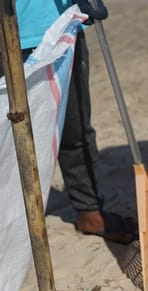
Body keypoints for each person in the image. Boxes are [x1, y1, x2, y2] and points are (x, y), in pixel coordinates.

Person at [3, 0, 138, 244]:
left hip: (58, 23)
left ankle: (90, 210)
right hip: (6, 34)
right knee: (8, 139)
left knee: (75, 128)